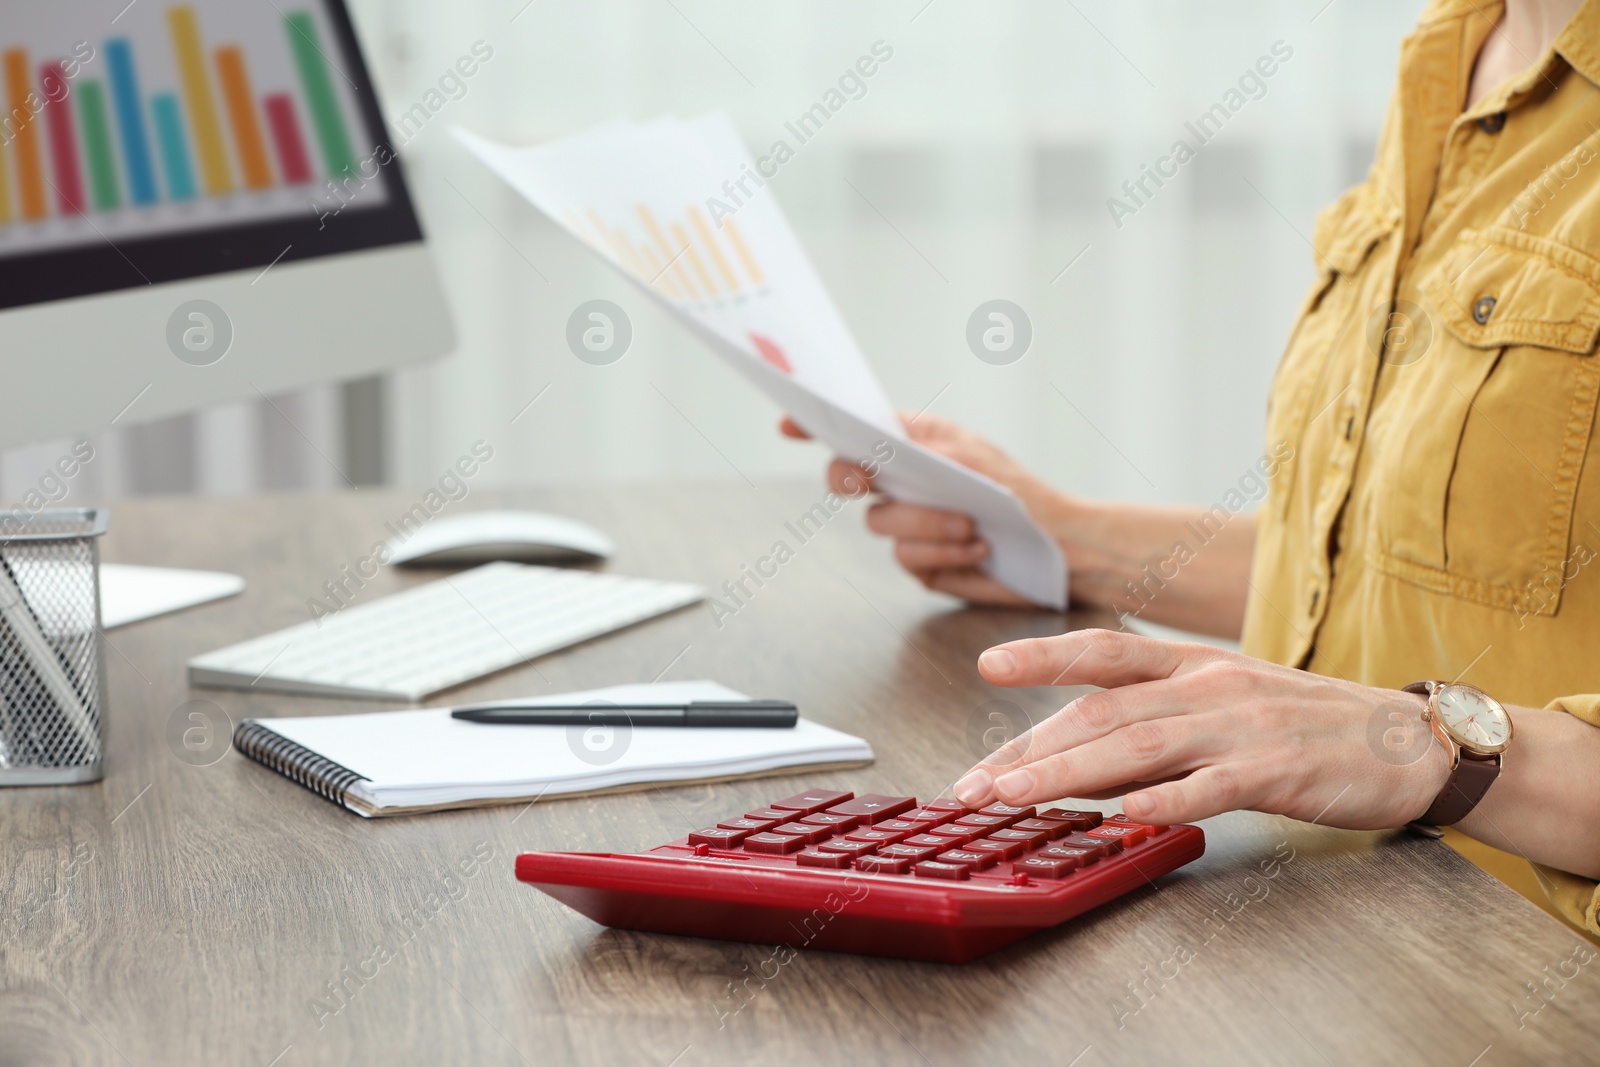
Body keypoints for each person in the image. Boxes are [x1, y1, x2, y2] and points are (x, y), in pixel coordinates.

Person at [785, 0, 1600, 939]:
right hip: (1341, 931)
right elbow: (1406, 569)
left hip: (1528, 968)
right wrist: (1068, 536)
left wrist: (1424, 751)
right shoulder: (1454, 52)